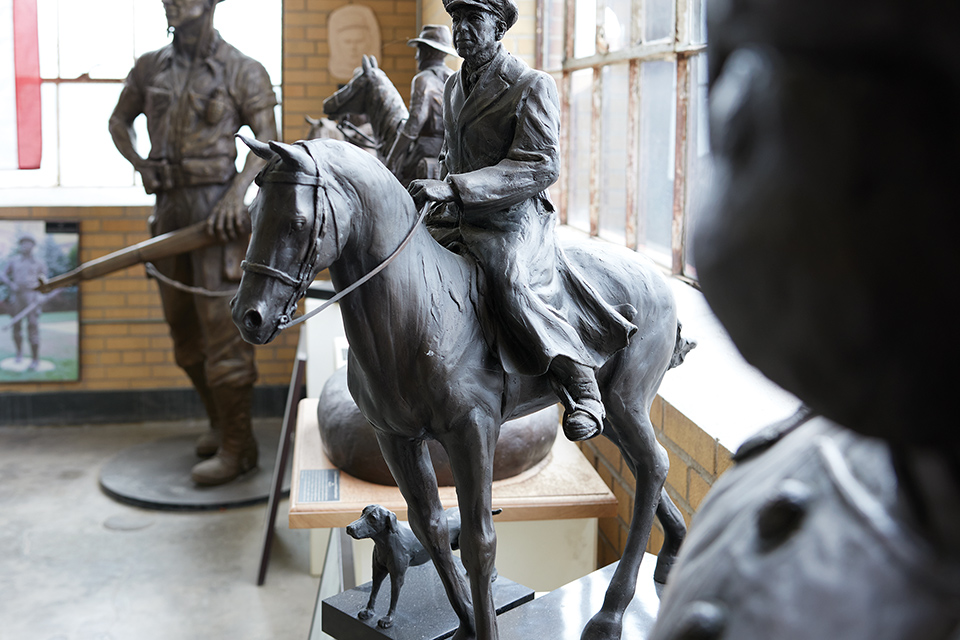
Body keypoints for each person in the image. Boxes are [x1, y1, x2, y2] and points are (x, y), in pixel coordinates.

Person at [408, 0, 637, 442]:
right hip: (460, 210)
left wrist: (457, 187)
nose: (462, 30)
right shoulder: (454, 85)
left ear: (499, 28)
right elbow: (450, 151)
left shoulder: (532, 84)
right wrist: (436, 188)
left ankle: (580, 383)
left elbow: (540, 165)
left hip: (514, 217)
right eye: (456, 21)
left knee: (506, 280)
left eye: (473, 20)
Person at [108, 0, 278, 485]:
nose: (171, 3)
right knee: (184, 338)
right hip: (168, 211)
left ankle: (239, 447)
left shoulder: (242, 69)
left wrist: (236, 195)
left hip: (216, 217)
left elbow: (268, 138)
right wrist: (140, 165)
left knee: (222, 335)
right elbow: (118, 121)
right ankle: (220, 424)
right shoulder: (149, 67)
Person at [384, 25, 457, 186]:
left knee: (395, 184)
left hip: (427, 148)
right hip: (451, 149)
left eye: (419, 50)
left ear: (428, 52)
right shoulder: (453, 76)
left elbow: (414, 124)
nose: (417, 57)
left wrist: (392, 158)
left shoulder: (423, 79)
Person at [2, 234, 47, 370]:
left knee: (33, 326)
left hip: (31, 296)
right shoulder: (13, 261)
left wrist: (40, 294)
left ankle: (35, 359)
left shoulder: (39, 263)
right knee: (16, 325)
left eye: (28, 243)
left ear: (33, 246)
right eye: (22, 243)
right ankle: (19, 354)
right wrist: (11, 284)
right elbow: (2, 274)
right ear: (20, 246)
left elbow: (45, 281)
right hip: (17, 296)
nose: (25, 246)